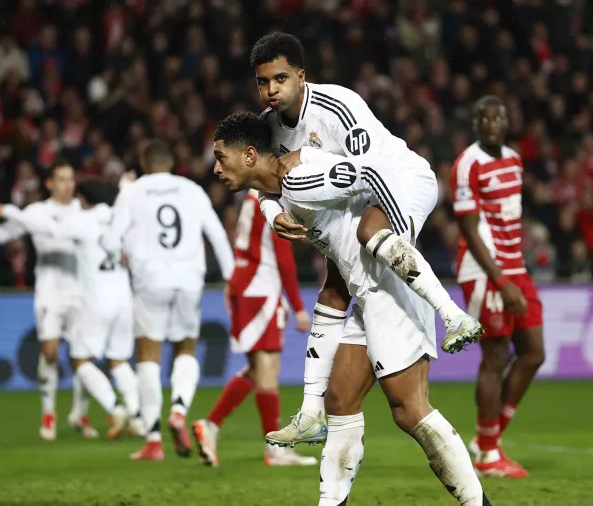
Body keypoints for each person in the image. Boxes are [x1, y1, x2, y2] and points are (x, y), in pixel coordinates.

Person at [212, 111, 492, 506]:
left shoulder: (302, 181)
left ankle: (478, 504)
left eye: (222, 157)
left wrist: (391, 234)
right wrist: (273, 211)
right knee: (340, 400)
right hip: (365, 291)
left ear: (251, 155)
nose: (216, 167)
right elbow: (273, 194)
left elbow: (372, 174)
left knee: (410, 410)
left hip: (391, 287)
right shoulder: (282, 194)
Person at [246, 32, 483, 448]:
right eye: (263, 82)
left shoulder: (337, 105)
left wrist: (309, 162)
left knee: (370, 235)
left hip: (402, 180)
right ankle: (310, 413)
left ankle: (453, 314)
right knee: (334, 290)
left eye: (280, 79)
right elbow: (265, 183)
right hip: (354, 201)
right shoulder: (269, 128)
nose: (271, 90)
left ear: (301, 76)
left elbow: (372, 173)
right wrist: (275, 212)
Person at [0, 179, 140, 439]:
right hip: (124, 299)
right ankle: (139, 416)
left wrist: (9, 211)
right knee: (119, 360)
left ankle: (114, 408)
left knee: (80, 360)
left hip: (94, 299)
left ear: (84, 201)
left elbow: (50, 229)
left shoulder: (81, 220)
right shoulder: (120, 216)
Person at [106, 139, 235, 460]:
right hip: (189, 278)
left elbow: (110, 240)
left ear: (145, 163)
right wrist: (232, 279)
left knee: (149, 353)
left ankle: (152, 439)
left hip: (150, 277)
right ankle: (179, 409)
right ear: (172, 163)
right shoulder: (191, 189)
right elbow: (217, 235)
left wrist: (125, 258)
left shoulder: (132, 191)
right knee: (186, 347)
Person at [0, 160, 105, 440]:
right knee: (51, 351)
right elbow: (5, 235)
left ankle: (79, 413)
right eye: (62, 179)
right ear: (50, 184)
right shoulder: (37, 212)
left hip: (82, 289)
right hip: (50, 290)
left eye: (71, 179)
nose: (68, 184)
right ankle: (48, 412)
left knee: (84, 355)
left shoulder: (85, 209)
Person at [451, 96, 545, 478]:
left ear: (507, 121)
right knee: (494, 357)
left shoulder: (514, 159)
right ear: (475, 123)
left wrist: (514, 270)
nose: (491, 123)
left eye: (498, 117)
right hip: (482, 267)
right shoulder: (467, 164)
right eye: (483, 118)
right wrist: (500, 280)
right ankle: (489, 455)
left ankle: (489, 437)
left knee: (533, 352)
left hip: (514, 264)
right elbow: (469, 231)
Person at [192, 189, 316, 467]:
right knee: (268, 371)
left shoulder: (253, 196)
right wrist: (297, 306)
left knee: (258, 371)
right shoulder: (271, 198)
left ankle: (210, 425)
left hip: (247, 286)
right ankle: (275, 450)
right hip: (260, 291)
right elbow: (283, 257)